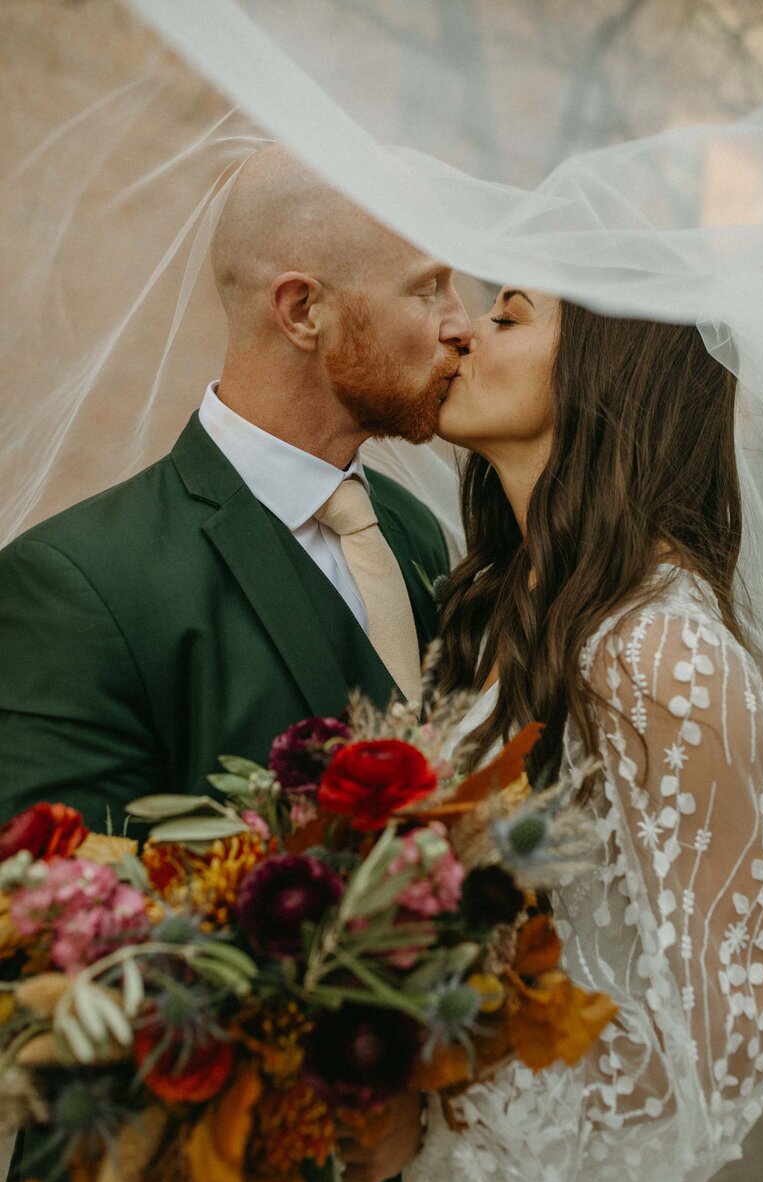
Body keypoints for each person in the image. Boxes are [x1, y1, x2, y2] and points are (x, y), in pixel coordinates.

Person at [386, 287, 763, 1182]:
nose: (463, 330)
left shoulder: (663, 652)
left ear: (607, 377)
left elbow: (734, 1037)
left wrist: (464, 1106)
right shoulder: (499, 611)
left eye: (509, 317)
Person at [0, 145, 471, 831]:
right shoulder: (77, 589)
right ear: (303, 309)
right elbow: (58, 917)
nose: (461, 324)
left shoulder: (410, 528)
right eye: (428, 288)